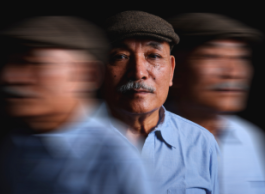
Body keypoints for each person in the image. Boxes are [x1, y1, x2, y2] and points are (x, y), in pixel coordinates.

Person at [0, 16, 152, 194]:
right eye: (10, 63)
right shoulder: (16, 144)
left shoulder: (114, 157)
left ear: (88, 76)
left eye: (34, 64)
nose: (9, 78)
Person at [100, 10, 220, 194]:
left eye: (153, 56)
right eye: (121, 56)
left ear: (171, 70)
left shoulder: (201, 143)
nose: (139, 72)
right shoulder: (69, 143)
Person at [166, 13, 265, 194]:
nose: (233, 72)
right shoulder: (136, 141)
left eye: (242, 57)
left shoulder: (247, 136)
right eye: (211, 56)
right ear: (174, 69)